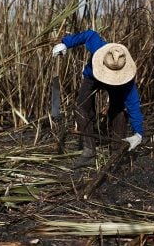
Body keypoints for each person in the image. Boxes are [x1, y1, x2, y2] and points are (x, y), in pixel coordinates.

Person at [52, 29, 143, 168]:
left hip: (117, 85)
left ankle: (116, 152)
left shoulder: (126, 81)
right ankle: (89, 152)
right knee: (81, 108)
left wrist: (138, 134)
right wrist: (65, 44)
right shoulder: (98, 46)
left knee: (119, 110)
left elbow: (134, 106)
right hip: (92, 77)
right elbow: (88, 34)